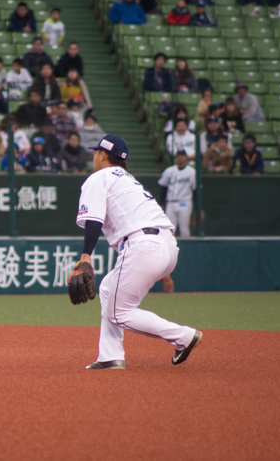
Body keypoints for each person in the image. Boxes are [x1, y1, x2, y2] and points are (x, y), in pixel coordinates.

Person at [71, 134, 202, 370]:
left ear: (102, 155)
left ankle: (183, 336)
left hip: (142, 246)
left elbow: (94, 220)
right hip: (167, 245)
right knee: (108, 289)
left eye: (96, 152)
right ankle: (110, 356)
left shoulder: (100, 177)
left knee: (118, 313)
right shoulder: (129, 180)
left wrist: (85, 255)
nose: (94, 157)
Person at [157, 149, 196, 238]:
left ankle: (186, 250)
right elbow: (163, 188)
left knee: (184, 230)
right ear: (176, 157)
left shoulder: (192, 172)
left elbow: (195, 189)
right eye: (178, 156)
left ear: (186, 157)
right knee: (169, 230)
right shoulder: (169, 171)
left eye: (182, 155)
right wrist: (161, 203)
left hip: (185, 202)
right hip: (171, 203)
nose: (180, 158)